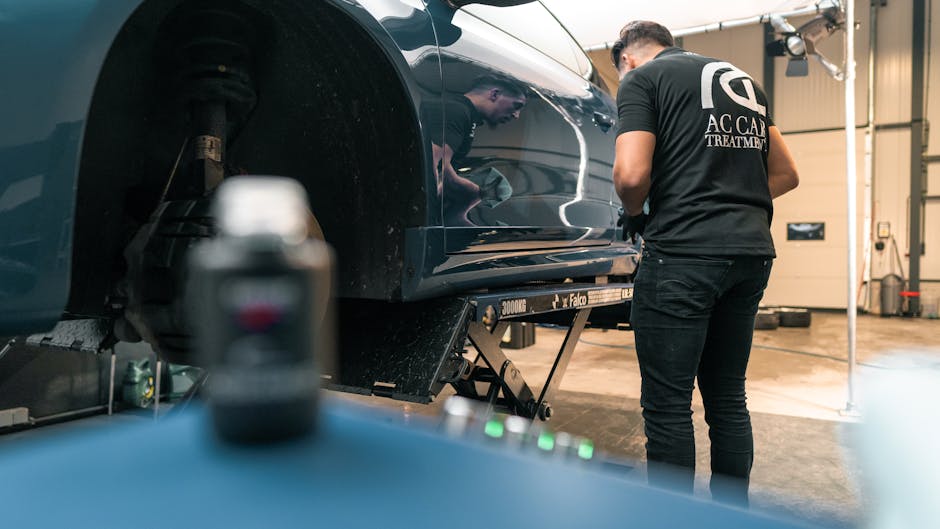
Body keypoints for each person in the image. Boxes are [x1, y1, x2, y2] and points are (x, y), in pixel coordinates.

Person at [611, 21, 799, 505]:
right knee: (727, 397)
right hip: (750, 255)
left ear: (626, 58)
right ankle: (731, 514)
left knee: (668, 406)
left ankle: (674, 518)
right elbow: (785, 173)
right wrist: (729, 204)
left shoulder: (641, 80)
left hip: (683, 257)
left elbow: (632, 175)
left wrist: (641, 215)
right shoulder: (743, 83)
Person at [424, 74, 526, 225]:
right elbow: (436, 170)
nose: (516, 115)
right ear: (495, 94)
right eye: (516, 106)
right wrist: (475, 192)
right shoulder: (456, 112)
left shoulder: (465, 115)